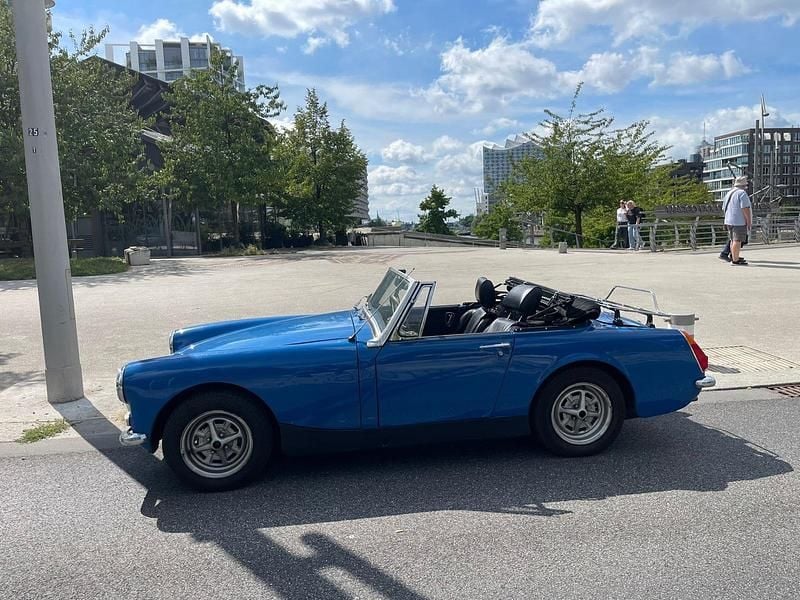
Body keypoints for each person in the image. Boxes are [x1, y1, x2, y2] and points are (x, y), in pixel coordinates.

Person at [721, 175, 752, 265]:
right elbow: (745, 208)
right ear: (743, 186)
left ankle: (734, 257)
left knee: (732, 240)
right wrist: (748, 221)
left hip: (729, 220)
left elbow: (723, 207)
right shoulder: (742, 193)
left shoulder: (729, 193)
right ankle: (735, 260)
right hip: (739, 221)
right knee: (737, 240)